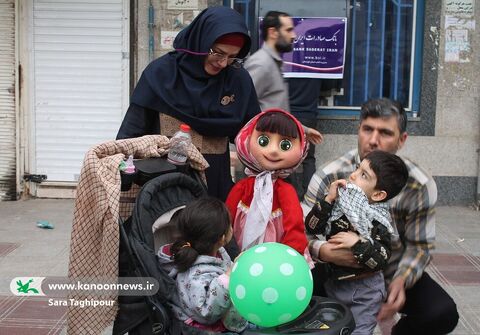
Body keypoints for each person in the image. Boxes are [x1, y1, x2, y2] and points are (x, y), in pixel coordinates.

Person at [302, 97, 459, 334]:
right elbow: (303, 233)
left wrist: (401, 280)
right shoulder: (329, 175)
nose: (373, 140)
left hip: (388, 268)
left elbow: (419, 246)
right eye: (367, 129)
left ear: (402, 139)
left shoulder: (420, 184)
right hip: (332, 270)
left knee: (441, 312)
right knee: (296, 295)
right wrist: (323, 251)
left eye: (385, 132)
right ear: (359, 130)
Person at [116, 6, 261, 201]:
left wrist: (285, 130)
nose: (223, 63)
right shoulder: (161, 74)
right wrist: (121, 170)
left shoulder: (237, 80)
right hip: (164, 185)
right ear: (200, 42)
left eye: (232, 57)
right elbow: (131, 133)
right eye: (218, 53)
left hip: (215, 189)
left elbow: (250, 133)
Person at [304, 150, 409, 334]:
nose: (352, 175)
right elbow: (312, 227)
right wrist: (328, 200)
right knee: (335, 327)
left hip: (364, 291)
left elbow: (380, 259)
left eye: (363, 175)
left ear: (378, 195)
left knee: (358, 330)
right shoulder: (340, 203)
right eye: (357, 168)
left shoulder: (379, 221)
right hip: (334, 282)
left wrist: (357, 243)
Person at [225, 109, 312, 265]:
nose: (273, 151)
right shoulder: (242, 187)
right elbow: (227, 219)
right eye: (263, 141)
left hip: (277, 260)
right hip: (239, 254)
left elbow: (294, 226)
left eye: (285, 145)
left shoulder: (285, 191)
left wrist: (291, 258)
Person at [157, 198, 247, 333]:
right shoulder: (194, 274)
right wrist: (229, 276)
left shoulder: (218, 252)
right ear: (222, 238)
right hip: (208, 328)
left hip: (229, 317)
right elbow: (206, 313)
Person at [244, 11, 323, 146]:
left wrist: (304, 130)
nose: (293, 35)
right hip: (263, 150)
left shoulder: (274, 63)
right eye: (288, 30)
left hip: (273, 148)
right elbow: (242, 107)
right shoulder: (261, 64)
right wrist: (235, 149)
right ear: (273, 32)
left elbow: (277, 113)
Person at [287, 78, 323, 200]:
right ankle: (311, 194)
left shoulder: (289, 68)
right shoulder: (314, 65)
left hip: (290, 114)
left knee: (289, 155)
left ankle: (294, 194)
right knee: (309, 158)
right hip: (309, 115)